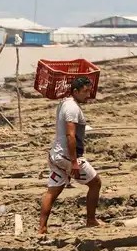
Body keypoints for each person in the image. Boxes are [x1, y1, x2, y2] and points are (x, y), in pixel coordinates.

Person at [39, 77, 100, 234]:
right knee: (95, 184)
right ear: (75, 91)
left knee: (53, 191)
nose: (88, 95)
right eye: (85, 91)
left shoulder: (65, 102)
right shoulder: (72, 108)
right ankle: (91, 220)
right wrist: (74, 162)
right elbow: (70, 135)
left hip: (56, 155)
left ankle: (42, 228)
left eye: (89, 91)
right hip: (67, 157)